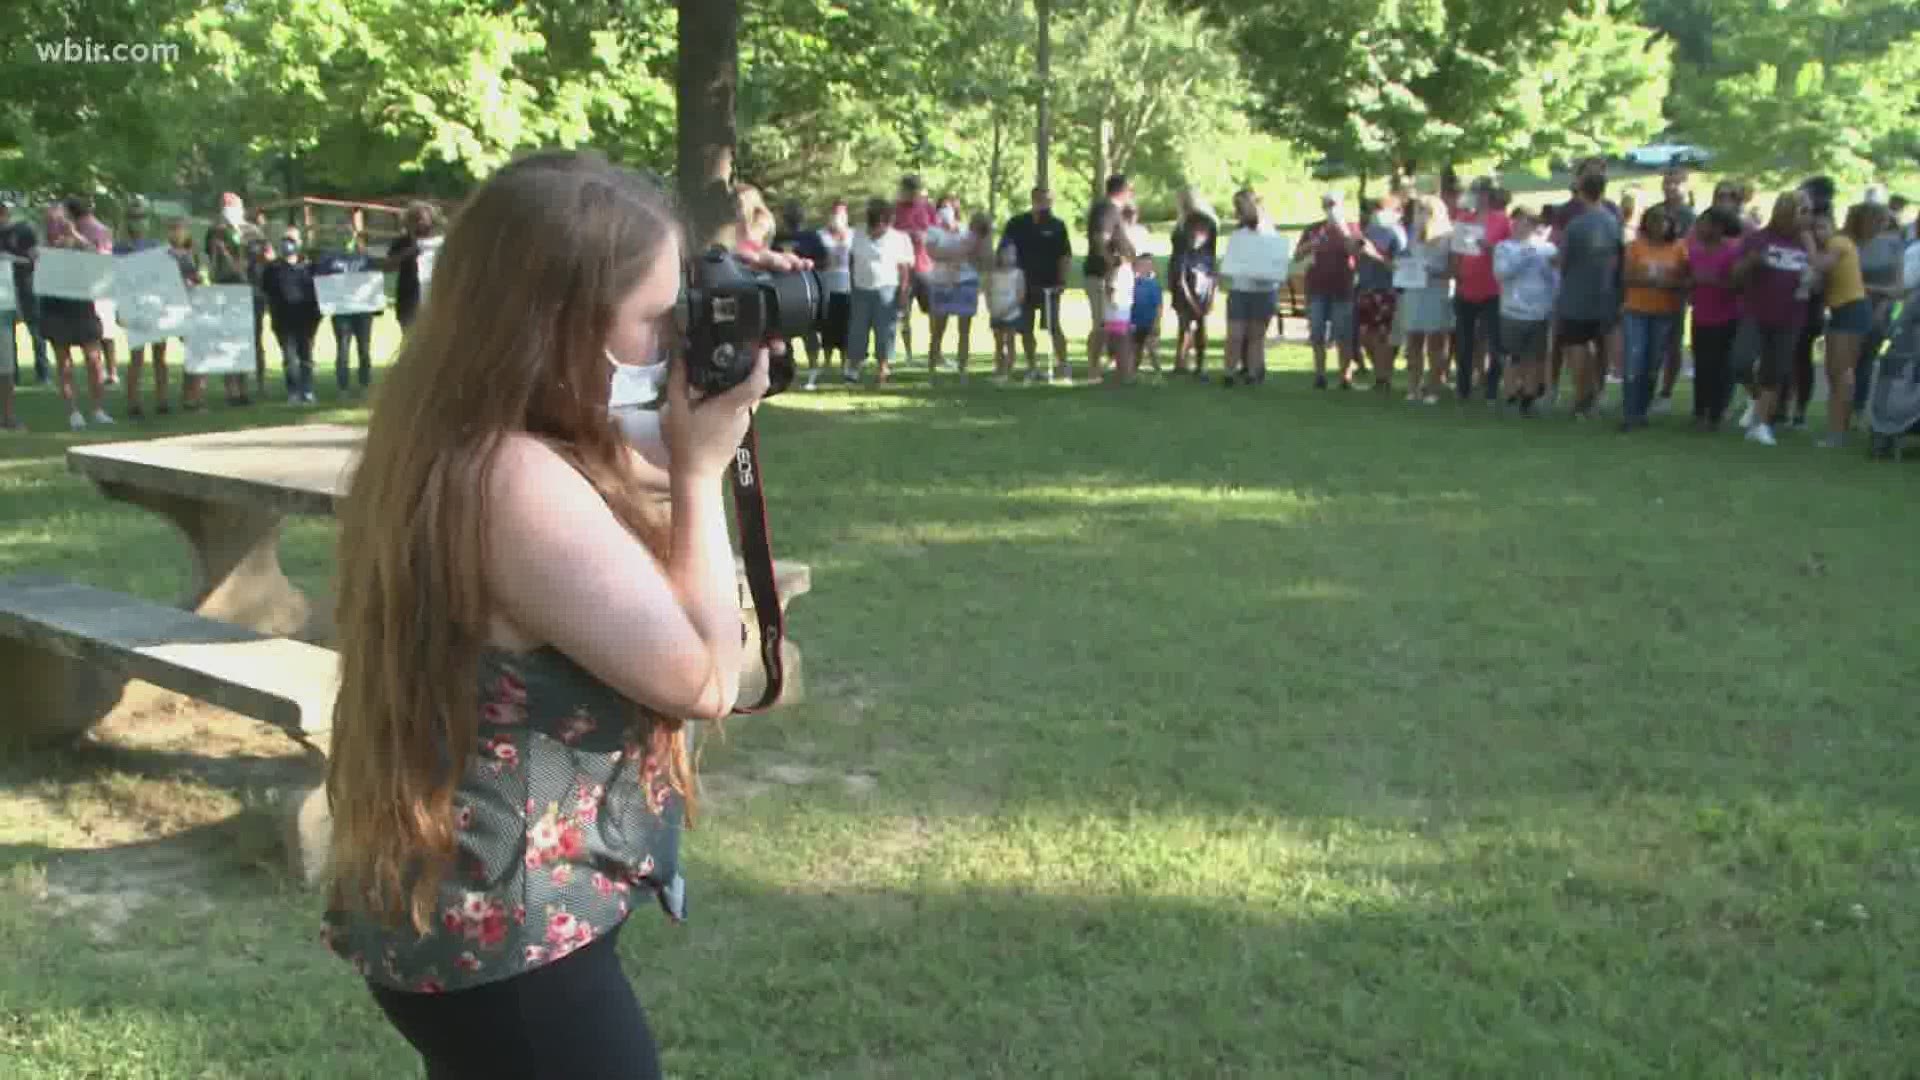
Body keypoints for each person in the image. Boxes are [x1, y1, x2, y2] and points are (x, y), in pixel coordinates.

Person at [321, 149, 765, 1080]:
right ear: (560, 326)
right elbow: (710, 680)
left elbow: (612, 444)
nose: (669, 347)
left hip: (449, 907)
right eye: (654, 322)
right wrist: (699, 472)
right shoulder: (512, 485)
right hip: (512, 946)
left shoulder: (445, 429)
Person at [1730, 189, 1815, 447]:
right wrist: (1751, 263)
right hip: (1756, 312)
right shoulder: (1759, 238)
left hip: (1790, 317)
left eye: (1808, 212)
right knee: (1740, 361)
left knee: (1774, 371)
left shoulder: (1807, 242)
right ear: (1784, 212)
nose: (1807, 218)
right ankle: (1757, 399)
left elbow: (1820, 276)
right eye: (1802, 212)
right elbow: (1734, 277)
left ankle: (1761, 425)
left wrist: (1813, 266)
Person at [1554, 173, 1624, 421]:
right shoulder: (1613, 222)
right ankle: (1596, 395)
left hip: (1576, 295)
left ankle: (1582, 397)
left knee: (1576, 347)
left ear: (1581, 191)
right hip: (1605, 293)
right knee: (1600, 347)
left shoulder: (1576, 225)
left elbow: (1562, 262)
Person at [41, 201, 113, 430]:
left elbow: (97, 257)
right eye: (54, 222)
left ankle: (98, 410)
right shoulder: (46, 249)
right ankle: (73, 413)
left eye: (62, 221)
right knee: (64, 364)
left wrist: (75, 237)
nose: (58, 226)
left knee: (94, 360)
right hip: (56, 309)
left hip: (83, 308)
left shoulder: (80, 244)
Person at [1619, 205, 1690, 431]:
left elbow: (1687, 279)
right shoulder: (1634, 247)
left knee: (1652, 363)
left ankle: (1642, 410)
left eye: (1664, 221)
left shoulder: (1679, 249)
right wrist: (1648, 280)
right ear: (1646, 223)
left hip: (1664, 312)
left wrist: (1670, 284)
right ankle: (1629, 413)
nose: (1660, 225)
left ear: (1671, 225)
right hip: (1636, 310)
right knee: (1633, 360)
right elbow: (1625, 277)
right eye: (1655, 220)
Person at [1813, 203, 1874, 447]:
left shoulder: (1836, 243)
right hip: (1843, 311)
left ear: (1833, 226)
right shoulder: (1837, 245)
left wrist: (1807, 241)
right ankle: (1837, 430)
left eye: (1822, 227)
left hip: (1851, 310)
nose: (1818, 232)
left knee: (1841, 374)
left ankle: (1837, 434)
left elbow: (1821, 266)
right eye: (1813, 228)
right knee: (1835, 373)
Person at [998, 186, 1071, 384]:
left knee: (1053, 326)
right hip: (1024, 285)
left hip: (1051, 285)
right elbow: (1005, 250)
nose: (1044, 204)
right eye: (1040, 200)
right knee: (1026, 328)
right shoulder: (1017, 223)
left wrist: (1062, 281)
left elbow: (1065, 255)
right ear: (1033, 199)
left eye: (1047, 200)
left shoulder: (1057, 226)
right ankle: (1032, 366)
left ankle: (1063, 365)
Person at [1450, 177, 1512, 404]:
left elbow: (1509, 252)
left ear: (1489, 194)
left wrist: (1491, 248)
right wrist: (1456, 272)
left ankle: (1492, 388)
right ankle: (1463, 387)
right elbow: (1456, 251)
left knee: (1495, 343)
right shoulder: (1464, 219)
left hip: (1492, 289)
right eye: (1475, 191)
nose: (1478, 195)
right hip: (1466, 287)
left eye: (1482, 191)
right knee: (1464, 341)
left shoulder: (1502, 221)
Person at [1492, 207, 1558, 417]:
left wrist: (1547, 267)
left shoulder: (1547, 249)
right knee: (1513, 356)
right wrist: (1525, 256)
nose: (1520, 225)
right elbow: (1502, 274)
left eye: (1526, 221)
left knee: (1535, 357)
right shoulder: (1504, 248)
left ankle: (1529, 398)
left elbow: (1555, 280)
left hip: (1539, 312)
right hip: (1513, 311)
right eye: (1517, 221)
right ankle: (1511, 395)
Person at [114, 195, 175, 418]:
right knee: (137, 356)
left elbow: (166, 276)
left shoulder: (155, 246)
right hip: (134, 307)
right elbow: (117, 281)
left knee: (160, 355)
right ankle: (133, 402)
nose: (139, 221)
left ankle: (162, 400)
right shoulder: (120, 248)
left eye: (142, 217)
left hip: (155, 305)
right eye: (135, 217)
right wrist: (120, 309)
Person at [1685, 206, 1744, 431]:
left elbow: (1737, 286)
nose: (1699, 227)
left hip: (1726, 318)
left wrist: (1710, 281)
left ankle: (1716, 413)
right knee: (1702, 366)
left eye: (1705, 223)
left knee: (1721, 367)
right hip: (1701, 316)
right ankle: (1700, 411)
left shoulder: (1731, 252)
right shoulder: (1695, 250)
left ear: (1719, 228)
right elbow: (1689, 278)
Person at [1298, 190, 1363, 390]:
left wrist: (1343, 230)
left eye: (1334, 203)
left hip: (1342, 288)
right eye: (1327, 204)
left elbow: (1356, 252)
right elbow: (1297, 255)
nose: (1330, 208)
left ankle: (1345, 376)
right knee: (1317, 332)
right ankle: (1320, 375)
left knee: (1343, 334)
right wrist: (1313, 242)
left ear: (1342, 205)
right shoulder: (1313, 229)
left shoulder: (1352, 227)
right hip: (1317, 288)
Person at [847, 198, 914, 386]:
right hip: (860, 289)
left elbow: (904, 269)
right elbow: (851, 261)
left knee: (884, 332)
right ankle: (853, 368)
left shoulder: (899, 238)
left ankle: (883, 368)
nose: (878, 227)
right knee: (857, 330)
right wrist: (851, 285)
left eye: (882, 223)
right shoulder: (858, 234)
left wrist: (902, 293)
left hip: (887, 290)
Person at [1397, 193, 1455, 404]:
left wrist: (1434, 271)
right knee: (1413, 341)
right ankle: (1413, 387)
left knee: (1436, 344)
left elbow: (1453, 268)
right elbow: (1405, 259)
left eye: (1424, 210)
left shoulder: (1448, 236)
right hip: (1414, 292)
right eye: (1417, 211)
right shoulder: (1412, 234)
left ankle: (1433, 388)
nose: (1420, 215)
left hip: (1436, 291)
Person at [206, 193, 263, 406]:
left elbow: (251, 263)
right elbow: (212, 265)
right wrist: (216, 251)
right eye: (224, 206)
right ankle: (231, 390)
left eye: (231, 205)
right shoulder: (215, 232)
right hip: (224, 289)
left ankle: (249, 387)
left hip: (248, 289)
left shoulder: (252, 232)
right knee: (227, 340)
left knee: (248, 341)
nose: (227, 209)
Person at [1222, 188, 1279, 387]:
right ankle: (1229, 372)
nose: (1240, 209)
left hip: (1263, 290)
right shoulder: (1239, 232)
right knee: (1235, 335)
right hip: (1240, 289)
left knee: (1256, 335)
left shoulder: (1267, 227)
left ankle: (1254, 374)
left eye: (1243, 204)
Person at [313, 226, 380, 396]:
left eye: (349, 234)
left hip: (362, 310)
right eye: (341, 234)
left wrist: (376, 305)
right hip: (341, 310)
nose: (345, 237)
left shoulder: (365, 257)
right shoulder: (329, 258)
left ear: (355, 236)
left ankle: (365, 384)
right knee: (343, 348)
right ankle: (343, 387)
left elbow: (375, 278)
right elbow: (319, 276)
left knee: (364, 349)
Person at [925, 206, 988, 382]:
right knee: (938, 328)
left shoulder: (969, 236)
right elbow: (935, 253)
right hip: (942, 282)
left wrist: (953, 256)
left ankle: (962, 369)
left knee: (964, 330)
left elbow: (977, 257)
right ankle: (933, 368)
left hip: (965, 283)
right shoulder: (939, 233)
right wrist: (955, 256)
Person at [1856, 201, 1905, 418]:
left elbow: (1898, 288)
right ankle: (1844, 408)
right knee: (1847, 361)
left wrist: (1872, 292)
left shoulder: (1895, 247)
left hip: (1879, 309)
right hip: (1852, 305)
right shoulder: (1855, 243)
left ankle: (1857, 407)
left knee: (1865, 359)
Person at [262, 227, 323, 404]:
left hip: (306, 319)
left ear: (300, 243)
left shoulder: (310, 267)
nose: (288, 243)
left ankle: (308, 390)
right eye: (285, 239)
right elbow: (266, 291)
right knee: (289, 359)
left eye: (292, 239)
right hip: (283, 320)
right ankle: (293, 392)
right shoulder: (273, 268)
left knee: (306, 357)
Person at [1082, 174, 1132, 381]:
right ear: (1122, 190)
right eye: (1130, 190)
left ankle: (1113, 366)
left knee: (1112, 323)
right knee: (1101, 324)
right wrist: (1111, 263)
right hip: (1101, 275)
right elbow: (1100, 239)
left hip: (1112, 276)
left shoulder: (1112, 210)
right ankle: (1093, 369)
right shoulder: (1107, 210)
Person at [1355, 195, 1404, 392]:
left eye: (1382, 209)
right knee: (1366, 336)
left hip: (1387, 290)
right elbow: (1359, 259)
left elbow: (1398, 267)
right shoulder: (1368, 231)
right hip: (1366, 289)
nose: (1377, 213)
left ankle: (1383, 378)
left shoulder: (1396, 234)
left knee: (1383, 336)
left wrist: (1375, 254)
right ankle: (1380, 373)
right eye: (1375, 209)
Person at [1168, 194, 1219, 380]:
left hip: (1202, 286)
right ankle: (1180, 363)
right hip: (1185, 285)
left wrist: (1212, 295)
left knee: (1201, 325)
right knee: (1184, 324)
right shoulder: (1182, 234)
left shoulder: (1206, 249)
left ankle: (1199, 364)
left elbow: (1213, 271)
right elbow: (1180, 278)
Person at [0, 200, 48, 385]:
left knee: (35, 330)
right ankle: (13, 374)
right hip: (4, 289)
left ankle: (43, 373)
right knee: (6, 333)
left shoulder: (24, 230)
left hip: (26, 284)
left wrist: (13, 259)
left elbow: (35, 259)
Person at [165, 218, 210, 412]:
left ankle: (190, 396)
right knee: (198, 352)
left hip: (190, 305)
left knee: (195, 352)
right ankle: (194, 398)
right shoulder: (176, 256)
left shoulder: (191, 255)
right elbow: (194, 278)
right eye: (175, 229)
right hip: (182, 306)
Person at [892, 176, 938, 363]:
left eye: (915, 190)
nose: (911, 194)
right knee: (903, 312)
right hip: (903, 268)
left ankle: (935, 353)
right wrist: (906, 235)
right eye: (908, 190)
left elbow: (937, 233)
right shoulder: (894, 210)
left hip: (925, 266)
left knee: (935, 311)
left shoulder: (927, 208)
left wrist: (924, 235)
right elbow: (888, 234)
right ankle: (908, 354)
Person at [810, 200, 854, 389]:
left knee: (845, 327)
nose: (838, 216)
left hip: (847, 287)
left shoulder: (853, 235)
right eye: (835, 213)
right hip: (826, 287)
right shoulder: (820, 236)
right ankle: (826, 363)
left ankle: (845, 365)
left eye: (842, 213)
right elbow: (815, 259)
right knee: (827, 327)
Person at [384, 201, 440, 334]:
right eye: (415, 220)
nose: (419, 223)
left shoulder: (440, 241)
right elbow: (388, 266)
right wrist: (413, 249)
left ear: (431, 220)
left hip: (436, 298)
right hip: (409, 299)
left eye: (423, 219)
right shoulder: (402, 242)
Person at [1101, 231, 1138, 384]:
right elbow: (1110, 290)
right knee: (1122, 343)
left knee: (1121, 343)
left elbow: (1110, 289)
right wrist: (1114, 301)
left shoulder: (1120, 270)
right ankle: (1124, 373)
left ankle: (1123, 372)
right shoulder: (1119, 270)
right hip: (1118, 311)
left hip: (1119, 311)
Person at [986, 242, 1025, 383]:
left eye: (1012, 254)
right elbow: (988, 292)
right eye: (1005, 253)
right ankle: (998, 368)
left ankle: (1009, 370)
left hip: (1011, 313)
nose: (1009, 257)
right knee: (998, 343)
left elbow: (1021, 295)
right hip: (996, 312)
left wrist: (1008, 309)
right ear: (999, 255)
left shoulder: (1018, 274)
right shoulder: (993, 273)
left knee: (1010, 341)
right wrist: (991, 308)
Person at [1129, 252, 1164, 375]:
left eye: (1148, 264)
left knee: (1152, 349)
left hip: (1150, 322)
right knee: (1136, 349)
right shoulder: (1132, 284)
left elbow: (1159, 306)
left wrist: (1157, 323)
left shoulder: (1154, 285)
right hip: (1135, 322)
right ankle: (1133, 372)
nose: (1144, 267)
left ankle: (1158, 372)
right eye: (1142, 264)